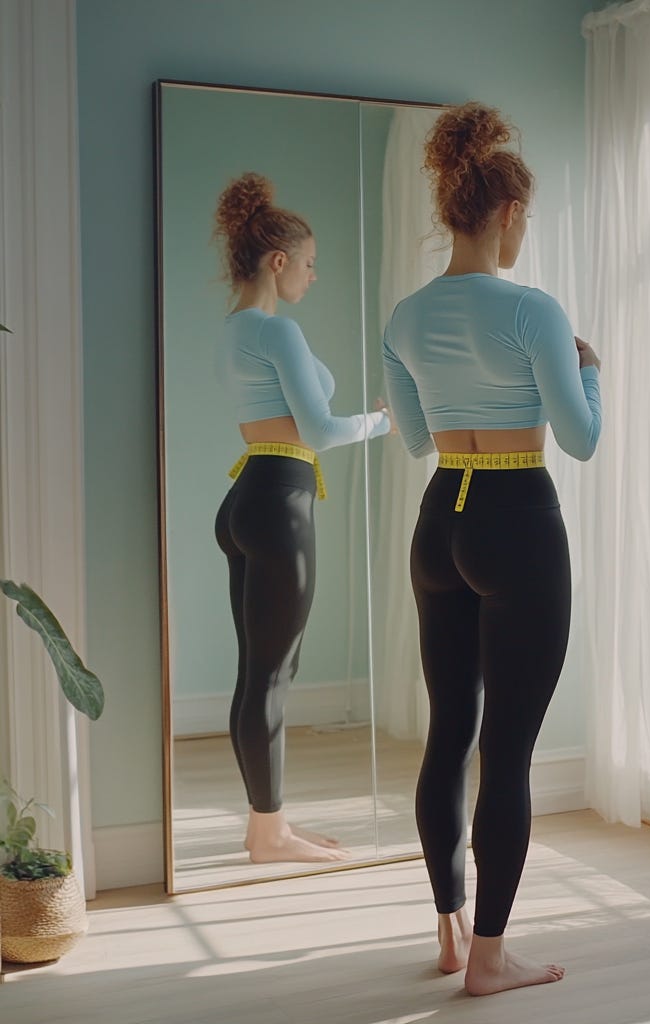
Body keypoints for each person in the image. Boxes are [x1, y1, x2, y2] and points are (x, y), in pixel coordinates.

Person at [382, 102, 602, 996]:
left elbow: (410, 438)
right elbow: (580, 439)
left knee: (449, 737)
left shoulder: (404, 316)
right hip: (516, 516)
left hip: (442, 519)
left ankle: (449, 930)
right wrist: (589, 368)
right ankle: (489, 963)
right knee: (506, 753)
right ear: (508, 213)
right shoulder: (532, 310)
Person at [212, 172, 391, 864]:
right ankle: (270, 833)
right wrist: (384, 421)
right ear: (278, 261)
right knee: (272, 675)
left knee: (258, 673)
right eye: (310, 264)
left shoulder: (234, 331)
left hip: (247, 497)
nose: (314, 277)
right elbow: (317, 430)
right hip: (279, 498)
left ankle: (269, 825)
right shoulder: (275, 333)